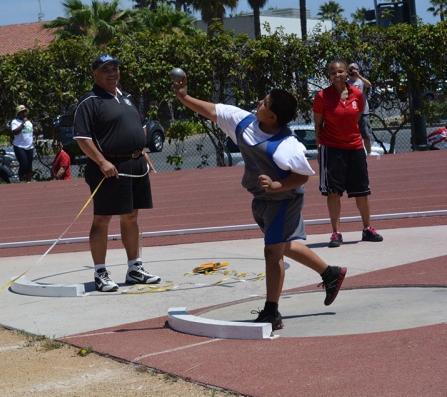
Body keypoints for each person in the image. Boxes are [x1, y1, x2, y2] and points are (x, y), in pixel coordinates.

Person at [172, 76, 347, 331]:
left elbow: (303, 175)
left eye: (264, 102)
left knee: (272, 251)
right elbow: (212, 111)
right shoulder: (244, 122)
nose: (259, 102)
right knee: (283, 245)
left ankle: (271, 312)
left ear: (272, 117)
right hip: (262, 198)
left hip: (285, 199)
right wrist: (184, 97)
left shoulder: (288, 146)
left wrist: (278, 185)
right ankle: (330, 273)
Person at [73, 53, 161, 292]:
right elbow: (82, 138)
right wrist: (102, 162)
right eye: (106, 70)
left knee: (131, 216)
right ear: (95, 74)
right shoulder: (89, 101)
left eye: (115, 69)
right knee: (102, 219)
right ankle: (100, 272)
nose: (112, 73)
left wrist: (141, 149)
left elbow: (139, 127)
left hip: (135, 165)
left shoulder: (127, 97)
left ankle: (134, 268)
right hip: (109, 168)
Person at [313, 59, 384, 248]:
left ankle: (367, 229)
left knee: (362, 191)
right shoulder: (322, 96)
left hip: (355, 147)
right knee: (333, 193)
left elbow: (357, 117)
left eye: (340, 72)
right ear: (329, 75)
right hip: (331, 148)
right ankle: (336, 233)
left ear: (347, 73)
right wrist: (320, 149)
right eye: (333, 73)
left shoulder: (357, 94)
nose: (337, 75)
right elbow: (318, 125)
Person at [347, 62, 376, 155]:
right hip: (351, 112)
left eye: (354, 69)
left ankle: (369, 153)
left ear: (358, 70)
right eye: (350, 70)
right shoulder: (347, 83)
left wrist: (359, 76)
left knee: (366, 134)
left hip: (363, 112)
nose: (352, 72)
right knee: (352, 134)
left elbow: (369, 85)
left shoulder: (361, 82)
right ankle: (355, 153)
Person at [11, 104, 34, 183]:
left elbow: (30, 133)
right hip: (19, 146)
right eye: (22, 112)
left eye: (25, 111)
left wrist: (36, 130)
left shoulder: (29, 122)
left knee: (29, 166)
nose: (24, 113)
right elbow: (15, 132)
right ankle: (21, 181)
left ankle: (28, 181)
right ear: (18, 114)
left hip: (30, 146)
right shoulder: (15, 122)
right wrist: (22, 123)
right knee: (24, 164)